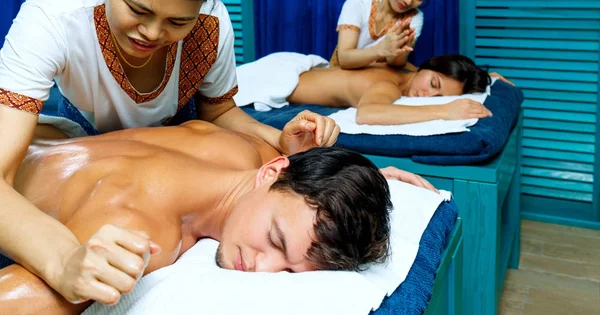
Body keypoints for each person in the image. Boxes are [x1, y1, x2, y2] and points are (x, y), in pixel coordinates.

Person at [0, 0, 338, 307]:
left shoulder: (211, 24)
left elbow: (219, 113)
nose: (153, 33)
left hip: (170, 127)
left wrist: (282, 139)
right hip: (80, 122)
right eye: (138, 10)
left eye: (178, 22)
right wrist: (63, 261)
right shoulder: (55, 15)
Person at [0, 116, 436, 315]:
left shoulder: (250, 153)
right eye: (276, 241)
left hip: (48, 139)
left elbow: (297, 171)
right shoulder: (142, 231)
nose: (263, 270)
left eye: (289, 271)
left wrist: (370, 177)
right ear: (271, 174)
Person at [289, 54, 505, 125]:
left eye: (438, 97)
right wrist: (444, 110)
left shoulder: (407, 70)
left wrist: (489, 79)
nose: (427, 95)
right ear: (427, 66)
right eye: (433, 84)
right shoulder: (389, 86)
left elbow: (450, 77)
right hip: (286, 79)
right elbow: (366, 113)